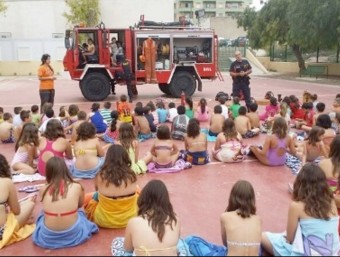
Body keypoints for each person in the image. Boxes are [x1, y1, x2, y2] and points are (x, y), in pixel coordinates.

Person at [261, 164, 340, 256]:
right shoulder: (332, 202)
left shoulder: (296, 206)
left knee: (263, 236)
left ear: (300, 183)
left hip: (306, 252)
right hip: (333, 253)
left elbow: (290, 239)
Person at [32, 157, 98, 249]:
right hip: (73, 233)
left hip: (48, 236)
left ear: (48, 172)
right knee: (81, 211)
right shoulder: (77, 186)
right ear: (65, 169)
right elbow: (79, 206)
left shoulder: (43, 189)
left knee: (42, 213)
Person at [111, 180, 183, 256]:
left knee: (117, 241)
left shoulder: (133, 222)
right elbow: (177, 242)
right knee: (182, 244)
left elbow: (128, 249)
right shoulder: (175, 219)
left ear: (143, 198)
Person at [84, 145, 139, 229]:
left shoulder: (100, 176)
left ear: (108, 158)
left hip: (103, 220)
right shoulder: (132, 175)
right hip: (131, 218)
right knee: (137, 190)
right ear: (125, 157)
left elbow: (97, 193)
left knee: (91, 196)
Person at [0, 154, 36, 249]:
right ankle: (25, 220)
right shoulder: (7, 182)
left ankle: (25, 220)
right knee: (30, 203)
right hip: (2, 231)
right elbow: (16, 211)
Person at [220, 180, 262, 256]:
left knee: (192, 240)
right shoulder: (258, 219)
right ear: (252, 199)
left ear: (232, 198)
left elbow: (226, 243)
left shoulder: (225, 216)